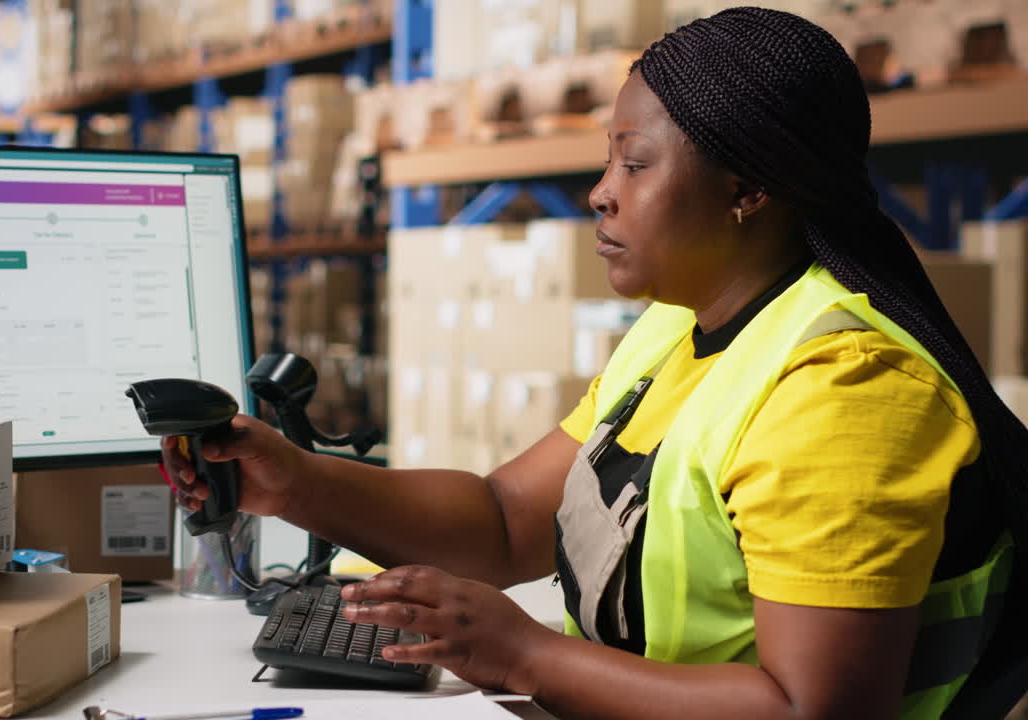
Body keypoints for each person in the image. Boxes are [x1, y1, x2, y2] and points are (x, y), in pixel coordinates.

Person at [164, 8, 1025, 719]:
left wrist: (524, 652)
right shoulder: (673, 330)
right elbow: (505, 520)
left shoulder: (846, 389)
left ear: (746, 189)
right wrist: (294, 482)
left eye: (634, 161)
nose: (600, 191)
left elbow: (810, 711)